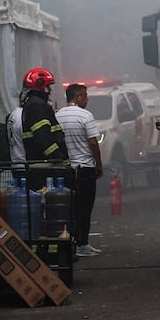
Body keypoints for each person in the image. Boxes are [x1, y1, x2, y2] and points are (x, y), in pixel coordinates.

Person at [55, 83, 105, 257]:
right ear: (78, 97)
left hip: (66, 170)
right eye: (85, 96)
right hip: (84, 169)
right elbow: (93, 142)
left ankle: (68, 240)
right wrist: (98, 164)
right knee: (84, 207)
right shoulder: (85, 115)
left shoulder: (58, 115)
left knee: (68, 207)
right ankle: (82, 243)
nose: (87, 99)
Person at [20, 67, 69, 189]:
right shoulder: (37, 106)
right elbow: (42, 136)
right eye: (48, 86)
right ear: (40, 85)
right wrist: (57, 158)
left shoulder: (33, 104)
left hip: (42, 168)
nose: (50, 90)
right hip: (45, 169)